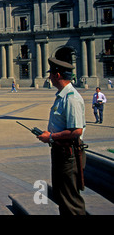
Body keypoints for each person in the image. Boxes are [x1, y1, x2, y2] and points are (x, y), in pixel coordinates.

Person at [37, 53, 87, 215]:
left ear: (57, 75)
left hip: (69, 154)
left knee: (70, 199)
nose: (50, 78)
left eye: (51, 74)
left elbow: (76, 131)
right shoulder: (62, 96)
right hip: (61, 152)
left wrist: (50, 137)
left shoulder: (71, 98)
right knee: (61, 194)